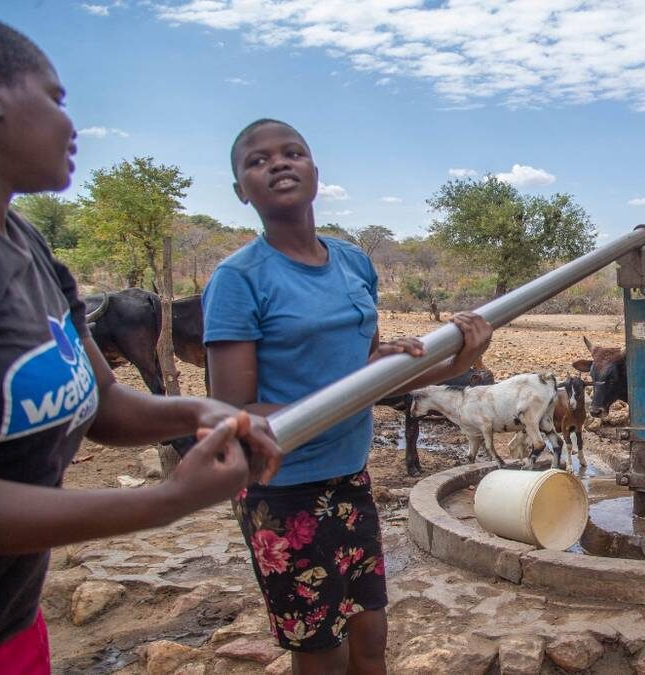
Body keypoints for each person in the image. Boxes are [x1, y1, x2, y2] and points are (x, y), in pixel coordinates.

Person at [0, 12, 283, 674]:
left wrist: (196, 413)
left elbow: (104, 401)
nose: (72, 125)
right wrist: (163, 502)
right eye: (57, 99)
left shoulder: (28, 247)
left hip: (7, 619)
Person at [204, 118, 493, 675]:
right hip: (283, 489)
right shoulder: (239, 279)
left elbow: (373, 379)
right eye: (257, 161)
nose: (278, 164)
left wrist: (460, 361)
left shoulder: (353, 262)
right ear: (242, 190)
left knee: (371, 636)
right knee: (322, 653)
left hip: (350, 477)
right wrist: (355, 382)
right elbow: (234, 412)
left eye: (293, 152)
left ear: (315, 170)